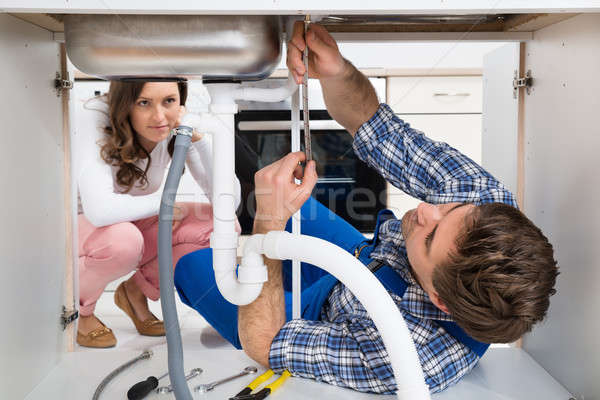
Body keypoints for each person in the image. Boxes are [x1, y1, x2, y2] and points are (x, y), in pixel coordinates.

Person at [174, 22, 559, 394]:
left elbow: (268, 342)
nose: (428, 210)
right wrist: (336, 71)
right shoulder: (482, 202)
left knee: (190, 267)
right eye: (450, 209)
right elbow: (375, 126)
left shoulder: (412, 356)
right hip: (362, 257)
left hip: (326, 316)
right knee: (268, 194)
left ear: (439, 299)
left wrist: (269, 225)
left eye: (432, 236)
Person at [75, 80, 241, 348]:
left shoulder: (171, 127)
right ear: (124, 105)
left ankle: (135, 292)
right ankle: (79, 310)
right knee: (124, 241)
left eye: (169, 101)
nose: (159, 116)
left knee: (219, 224)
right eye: (144, 103)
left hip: (128, 220)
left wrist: (196, 140)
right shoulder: (95, 116)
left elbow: (228, 201)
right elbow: (100, 210)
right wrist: (162, 204)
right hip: (78, 225)